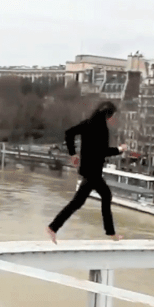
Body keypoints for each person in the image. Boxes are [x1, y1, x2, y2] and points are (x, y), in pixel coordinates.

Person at [46, 100, 128, 243]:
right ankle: (111, 233)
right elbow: (102, 151)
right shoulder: (102, 129)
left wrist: (73, 154)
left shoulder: (87, 123)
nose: (113, 118)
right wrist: (119, 149)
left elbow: (69, 133)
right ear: (108, 115)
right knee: (105, 196)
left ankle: (53, 227)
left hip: (87, 170)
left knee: (78, 202)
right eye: (113, 115)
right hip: (93, 172)